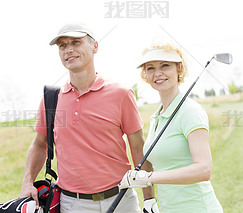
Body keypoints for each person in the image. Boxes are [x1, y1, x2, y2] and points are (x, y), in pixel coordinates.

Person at [19, 23, 159, 213]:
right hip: (73, 204)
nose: (68, 50)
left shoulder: (121, 94)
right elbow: (39, 144)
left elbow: (137, 147)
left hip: (121, 200)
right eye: (62, 45)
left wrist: (149, 199)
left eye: (76, 42)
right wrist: (27, 182)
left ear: (95, 47)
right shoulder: (51, 98)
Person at [119, 43, 223, 213]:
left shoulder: (191, 111)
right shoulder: (157, 116)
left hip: (199, 208)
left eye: (165, 65)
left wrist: (148, 178)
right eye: (150, 68)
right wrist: (149, 199)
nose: (157, 73)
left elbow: (203, 169)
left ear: (179, 69)